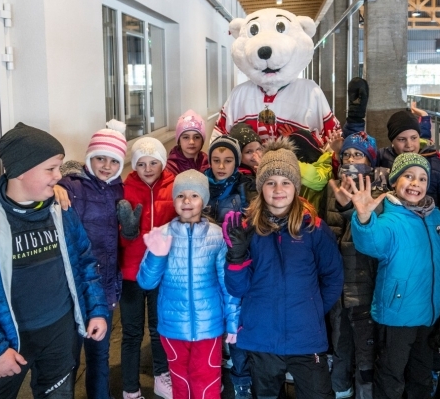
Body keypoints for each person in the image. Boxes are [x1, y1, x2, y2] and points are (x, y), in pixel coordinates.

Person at [0, 122, 108, 399]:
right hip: (4, 344)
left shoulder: (61, 210)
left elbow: (85, 262)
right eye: (51, 169)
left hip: (60, 336)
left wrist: (96, 310)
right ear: (20, 171)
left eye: (59, 167)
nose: (59, 176)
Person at [223, 138, 344, 399]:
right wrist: (236, 257)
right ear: (261, 187)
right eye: (271, 182)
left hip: (306, 338)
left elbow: (333, 276)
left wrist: (313, 308)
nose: (278, 189)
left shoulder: (314, 228)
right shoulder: (248, 230)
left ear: (296, 186)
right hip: (261, 337)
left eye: (286, 182)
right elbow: (237, 288)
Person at [341, 152, 440, 399]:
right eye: (408, 176)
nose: (416, 183)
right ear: (395, 181)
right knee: (391, 374)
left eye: (422, 178)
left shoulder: (435, 216)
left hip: (428, 314)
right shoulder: (389, 219)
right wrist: (364, 218)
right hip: (396, 315)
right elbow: (371, 243)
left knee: (421, 373)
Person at [137, 170, 239, 399]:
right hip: (173, 327)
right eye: (181, 195)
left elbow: (227, 284)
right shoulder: (162, 234)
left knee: (207, 384)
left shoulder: (217, 236)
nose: (187, 201)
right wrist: (156, 255)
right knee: (180, 383)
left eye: (194, 195)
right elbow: (146, 282)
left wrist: (233, 321)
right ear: (173, 200)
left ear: (204, 200)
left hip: (209, 327)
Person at [56, 120, 127, 399]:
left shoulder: (120, 190)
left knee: (99, 354)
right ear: (89, 158)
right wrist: (56, 187)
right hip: (73, 287)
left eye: (113, 160)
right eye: (100, 158)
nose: (106, 166)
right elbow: (52, 190)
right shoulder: (72, 187)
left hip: (105, 285)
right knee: (68, 358)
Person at [325, 132, 381, 399]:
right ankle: (340, 389)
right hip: (337, 283)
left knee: (366, 349)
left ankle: (365, 393)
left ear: (370, 161)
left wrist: (349, 209)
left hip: (364, 284)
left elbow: (372, 233)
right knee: (340, 343)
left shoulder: (379, 192)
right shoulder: (332, 188)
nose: (350, 159)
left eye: (358, 154)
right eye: (346, 154)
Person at [120, 137, 176, 399]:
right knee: (131, 332)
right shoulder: (125, 189)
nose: (148, 169)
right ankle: (130, 387)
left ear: (162, 163)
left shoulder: (173, 187)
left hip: (160, 272)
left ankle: (161, 376)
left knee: (158, 328)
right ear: (134, 166)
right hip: (130, 273)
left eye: (154, 163)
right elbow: (116, 234)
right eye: (141, 164)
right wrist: (126, 233)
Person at [204, 135, 255, 399]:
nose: (221, 166)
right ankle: (210, 374)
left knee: (236, 320)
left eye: (227, 160)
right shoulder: (200, 185)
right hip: (206, 265)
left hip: (235, 263)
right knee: (212, 319)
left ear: (236, 162)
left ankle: (242, 377)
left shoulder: (244, 187)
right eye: (216, 160)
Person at [377, 110, 440, 216]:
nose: (409, 145)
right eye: (402, 139)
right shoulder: (381, 158)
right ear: (392, 141)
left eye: (414, 138)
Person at [166, 109, 209, 175]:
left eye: (197, 137)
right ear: (179, 141)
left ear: (202, 141)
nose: (191, 142)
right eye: (186, 137)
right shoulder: (170, 168)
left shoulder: (207, 162)